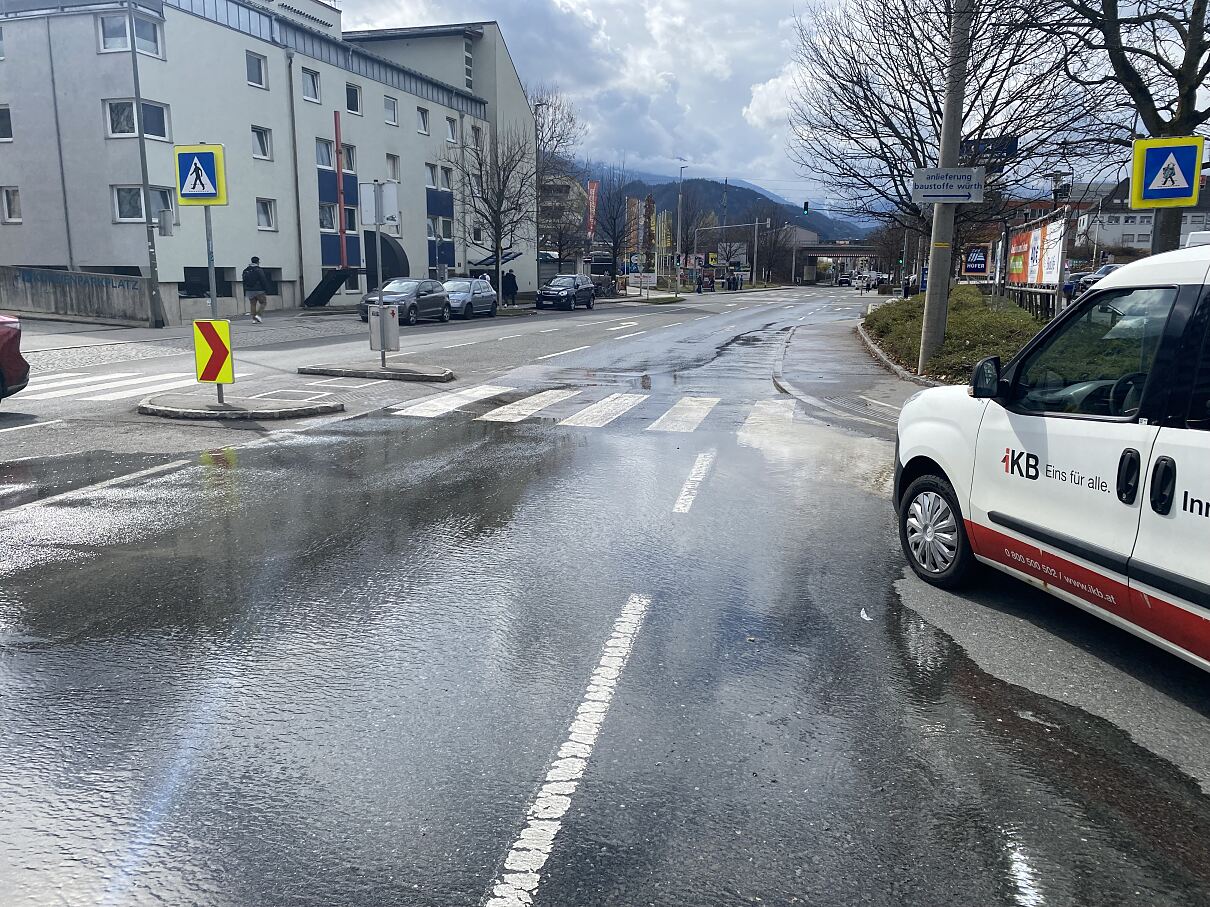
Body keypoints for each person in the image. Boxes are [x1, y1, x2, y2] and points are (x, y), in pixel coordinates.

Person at [242, 256, 270, 323]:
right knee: (263, 303)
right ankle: (258, 315)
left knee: (253, 304)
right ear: (258, 262)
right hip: (259, 290)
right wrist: (266, 289)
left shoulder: (246, 270)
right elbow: (263, 280)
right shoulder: (259, 270)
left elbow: (244, 280)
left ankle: (254, 319)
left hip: (249, 290)